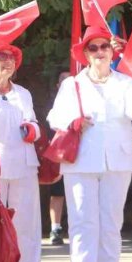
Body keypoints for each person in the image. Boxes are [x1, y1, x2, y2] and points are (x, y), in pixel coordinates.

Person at [47, 25, 132, 262]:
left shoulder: (127, 82)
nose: (100, 52)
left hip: (118, 159)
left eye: (104, 46)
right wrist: (73, 123)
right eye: (93, 47)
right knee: (83, 222)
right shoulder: (72, 84)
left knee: (112, 223)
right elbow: (54, 117)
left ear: (112, 52)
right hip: (81, 159)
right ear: (85, 53)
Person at [0, 44, 42, 262]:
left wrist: (32, 130)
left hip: (24, 165)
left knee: (27, 224)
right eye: (1, 57)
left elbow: (34, 122)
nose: (7, 62)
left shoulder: (23, 93)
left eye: (11, 58)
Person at [47, 71, 70, 246]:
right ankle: (55, 228)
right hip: (58, 154)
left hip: (78, 153)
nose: (66, 82)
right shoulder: (52, 104)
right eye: (63, 79)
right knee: (57, 192)